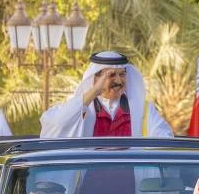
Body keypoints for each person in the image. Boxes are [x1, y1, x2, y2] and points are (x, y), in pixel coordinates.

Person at [40, 50, 174, 139]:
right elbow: (55, 124)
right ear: (95, 78)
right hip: (89, 181)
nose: (118, 80)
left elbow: (165, 138)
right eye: (111, 75)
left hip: (130, 181)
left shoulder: (143, 110)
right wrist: (95, 91)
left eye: (122, 74)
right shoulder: (80, 110)